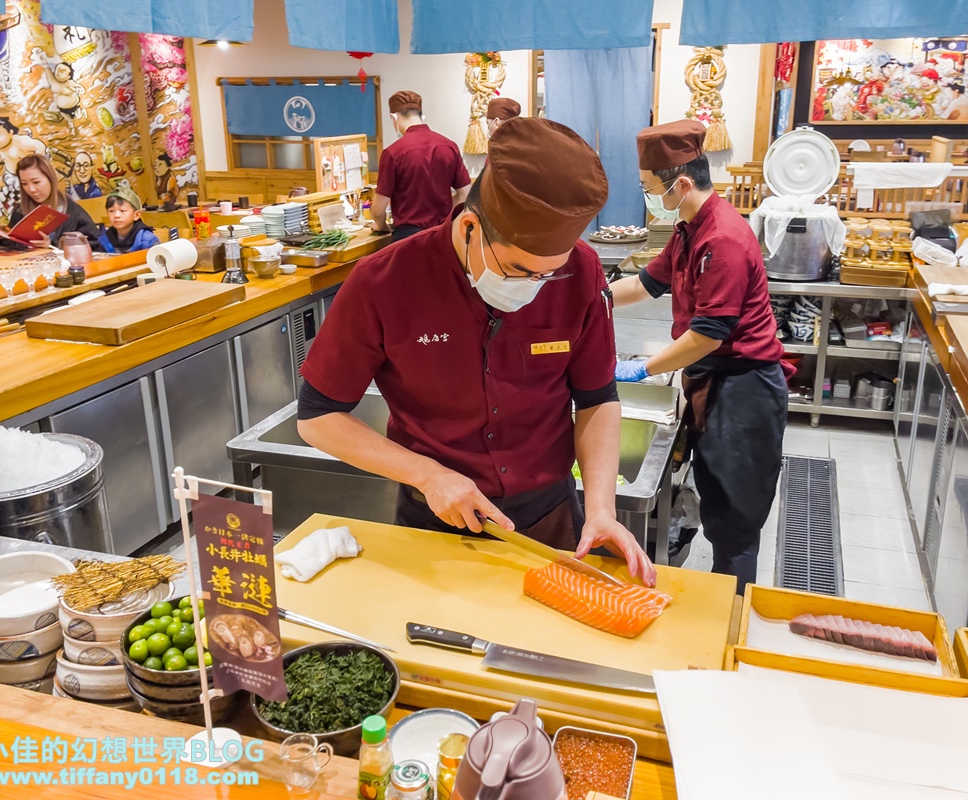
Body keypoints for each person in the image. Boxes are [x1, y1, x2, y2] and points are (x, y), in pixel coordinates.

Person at [298, 117, 656, 586]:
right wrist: (427, 475)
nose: (535, 286)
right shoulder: (383, 281)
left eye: (549, 274)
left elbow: (597, 398)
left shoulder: (583, 272)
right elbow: (318, 416)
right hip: (435, 522)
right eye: (520, 270)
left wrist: (602, 508)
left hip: (549, 517)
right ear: (469, 227)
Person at [609, 120, 791, 592]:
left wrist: (641, 369)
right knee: (715, 502)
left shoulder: (723, 237)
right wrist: (593, 299)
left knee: (734, 523)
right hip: (714, 381)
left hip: (744, 391)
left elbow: (709, 334)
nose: (649, 198)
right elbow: (647, 283)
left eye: (651, 189)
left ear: (682, 184)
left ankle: (732, 613)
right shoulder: (689, 229)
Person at [371, 91, 471, 243]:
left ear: (394, 118)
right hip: (443, 236)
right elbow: (465, 195)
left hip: (409, 240)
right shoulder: (449, 146)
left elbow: (378, 210)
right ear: (421, 116)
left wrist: (381, 226)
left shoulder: (393, 153)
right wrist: (442, 213)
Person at [7, 153, 101, 248]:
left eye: (36, 182)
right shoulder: (20, 212)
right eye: (24, 184)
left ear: (50, 179)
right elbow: (10, 244)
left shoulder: (72, 212)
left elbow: (95, 245)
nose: (31, 189)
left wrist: (53, 245)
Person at [97, 186, 160, 254]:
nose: (116, 215)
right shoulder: (105, 238)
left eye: (122, 211)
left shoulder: (147, 240)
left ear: (136, 215)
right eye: (111, 211)